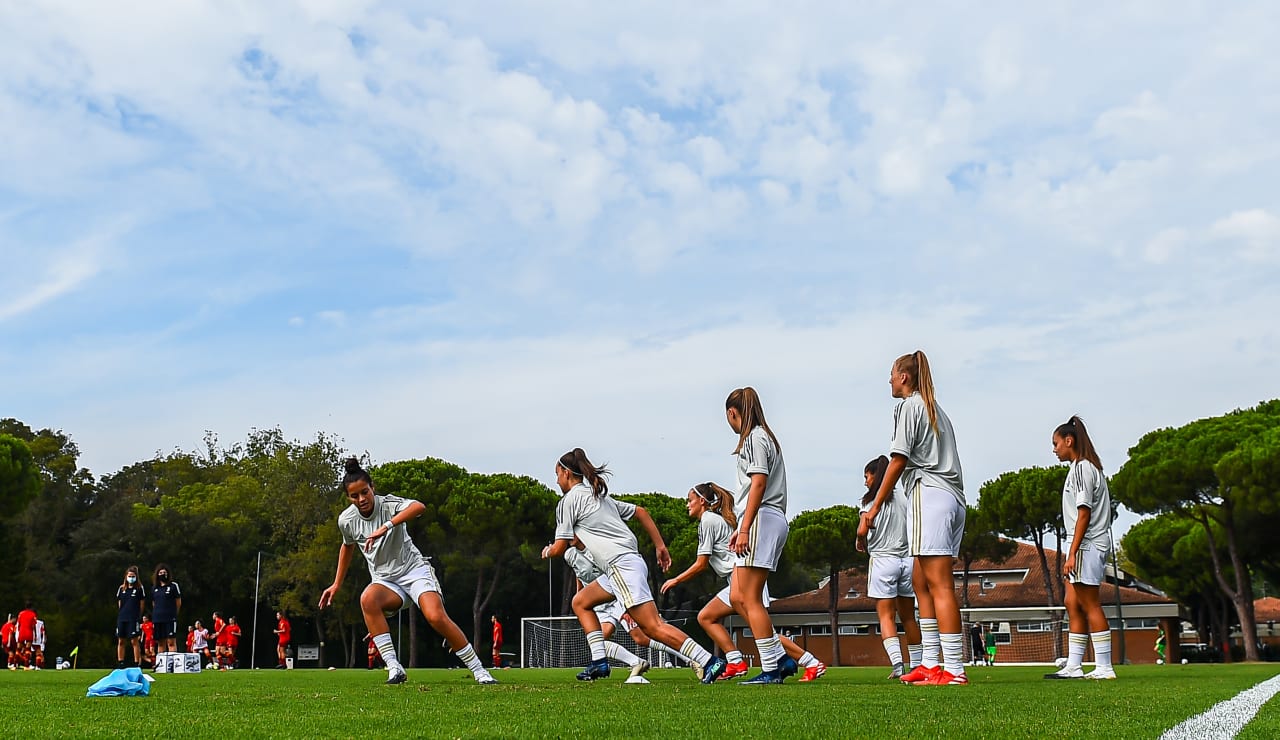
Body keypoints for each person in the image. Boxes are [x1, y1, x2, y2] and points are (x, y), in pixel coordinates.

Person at [540, 448, 724, 683]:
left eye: (557, 474)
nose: (556, 480)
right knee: (581, 601)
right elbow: (641, 511)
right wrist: (660, 546)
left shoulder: (568, 502)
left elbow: (559, 547)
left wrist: (547, 551)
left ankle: (708, 660)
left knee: (653, 628)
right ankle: (599, 662)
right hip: (625, 564)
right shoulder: (599, 496)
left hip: (620, 566)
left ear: (566, 473)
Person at [319, 458, 498, 686]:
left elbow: (419, 507)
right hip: (386, 581)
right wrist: (336, 584)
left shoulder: (389, 504)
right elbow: (347, 546)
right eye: (355, 496)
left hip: (414, 572)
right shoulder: (346, 520)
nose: (362, 499)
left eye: (365, 492)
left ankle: (479, 670)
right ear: (348, 498)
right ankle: (394, 669)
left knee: (435, 616)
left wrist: (386, 526)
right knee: (367, 599)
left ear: (372, 488)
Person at [860, 351, 968, 686]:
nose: (889, 380)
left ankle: (954, 670)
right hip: (949, 497)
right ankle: (931, 664)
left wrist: (875, 504)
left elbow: (897, 460)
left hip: (931, 493)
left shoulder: (909, 406)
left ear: (904, 377)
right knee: (921, 582)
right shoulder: (935, 409)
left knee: (939, 585)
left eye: (892, 373)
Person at [662, 482, 826, 682]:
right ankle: (736, 662)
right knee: (707, 617)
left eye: (690, 500)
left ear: (702, 501)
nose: (687, 505)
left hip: (743, 579)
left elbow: (701, 563)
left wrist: (675, 580)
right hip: (737, 579)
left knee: (764, 632)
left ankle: (810, 662)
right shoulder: (713, 519)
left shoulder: (707, 520)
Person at [721, 388, 798, 684]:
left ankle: (772, 668)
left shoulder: (754, 438)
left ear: (732, 413)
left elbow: (758, 483)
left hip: (762, 518)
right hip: (764, 518)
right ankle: (779, 658)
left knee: (750, 597)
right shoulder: (764, 437)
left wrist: (744, 527)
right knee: (736, 595)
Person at [1045, 416, 1116, 680]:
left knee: (1089, 603)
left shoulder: (1083, 469)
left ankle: (1104, 667)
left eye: (1055, 444)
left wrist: (1072, 552)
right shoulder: (1078, 468)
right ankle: (1074, 665)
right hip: (1081, 544)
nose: (1054, 449)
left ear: (1069, 440)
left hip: (1087, 544)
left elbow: (1083, 513)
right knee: (1071, 602)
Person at [857, 456, 923, 679]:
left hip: (883, 560)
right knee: (909, 617)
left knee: (886, 616)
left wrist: (859, 539)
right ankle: (917, 665)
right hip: (907, 560)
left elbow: (862, 530)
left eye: (866, 476)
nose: (865, 482)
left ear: (875, 476)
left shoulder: (869, 501)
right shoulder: (905, 497)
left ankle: (897, 664)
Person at [563, 541, 654, 680]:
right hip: (599, 605)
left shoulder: (597, 547)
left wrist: (625, 606)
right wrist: (580, 597)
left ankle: (690, 658)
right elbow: (579, 574)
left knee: (641, 637)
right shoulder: (570, 554)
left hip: (616, 598)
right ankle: (636, 662)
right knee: (599, 640)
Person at [116, 565, 147, 668]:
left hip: (133, 618)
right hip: (122, 618)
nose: (131, 578)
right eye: (129, 576)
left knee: (134, 640)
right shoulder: (121, 588)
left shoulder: (139, 588)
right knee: (121, 640)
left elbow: (142, 604)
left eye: (133, 576)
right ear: (126, 576)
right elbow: (120, 603)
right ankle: (121, 662)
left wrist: (138, 615)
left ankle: (136, 662)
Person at [150, 564, 182, 653]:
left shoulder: (173, 586)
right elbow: (154, 603)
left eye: (164, 572)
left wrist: (174, 614)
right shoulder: (154, 588)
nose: (162, 574)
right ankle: (161, 664)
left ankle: (172, 664)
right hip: (157, 619)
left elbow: (178, 602)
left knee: (171, 641)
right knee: (160, 642)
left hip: (170, 618)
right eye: (160, 572)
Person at [16, 602, 37, 670]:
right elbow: (33, 626)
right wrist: (35, 634)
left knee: (18, 648)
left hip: (21, 631)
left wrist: (19, 631)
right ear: (31, 607)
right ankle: (26, 665)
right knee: (28, 649)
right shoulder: (33, 614)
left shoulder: (20, 613)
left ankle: (15, 664)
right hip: (29, 632)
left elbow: (18, 624)